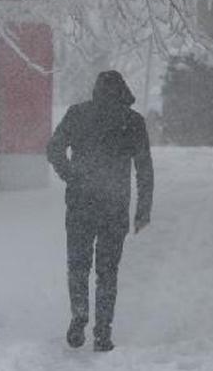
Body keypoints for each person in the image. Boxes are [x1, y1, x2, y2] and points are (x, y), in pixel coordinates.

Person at [47, 70, 154, 352]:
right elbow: (144, 169)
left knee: (78, 266)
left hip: (80, 204)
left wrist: (70, 175)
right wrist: (142, 210)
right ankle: (103, 333)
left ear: (96, 90)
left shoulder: (78, 114)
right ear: (122, 90)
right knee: (108, 272)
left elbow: (54, 147)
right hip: (114, 207)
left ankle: (79, 314)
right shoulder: (132, 122)